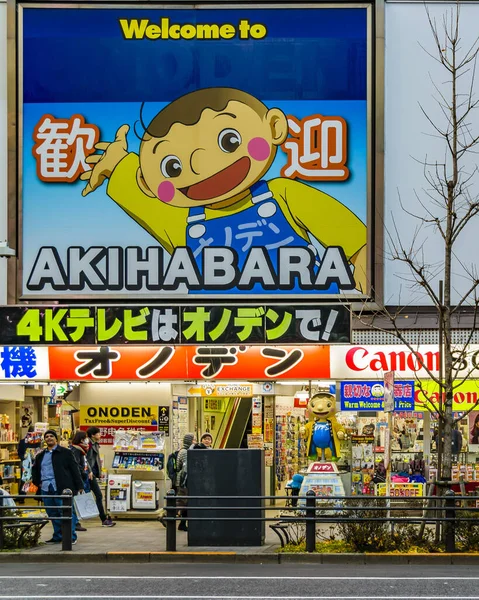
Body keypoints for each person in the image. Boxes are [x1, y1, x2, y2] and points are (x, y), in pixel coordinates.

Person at [82, 88, 367, 296]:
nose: (200, 164)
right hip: (217, 327)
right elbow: (139, 198)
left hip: (311, 321)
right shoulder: (181, 222)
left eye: (229, 140)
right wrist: (117, 163)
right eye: (173, 166)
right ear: (148, 183)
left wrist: (363, 269)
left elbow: (348, 235)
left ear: (274, 128)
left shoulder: (283, 194)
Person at [31, 430, 84, 545]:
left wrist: (79, 485)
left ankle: (70, 536)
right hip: (46, 487)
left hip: (62, 487)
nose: (49, 438)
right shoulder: (40, 455)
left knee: (66, 512)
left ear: (56, 439)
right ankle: (58, 535)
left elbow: (75, 469)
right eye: (47, 437)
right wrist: (37, 482)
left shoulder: (65, 453)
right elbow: (35, 470)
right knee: (52, 513)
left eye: (51, 436)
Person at [86, 427, 116, 527]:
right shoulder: (89, 444)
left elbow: (95, 460)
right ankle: (103, 519)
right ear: (93, 435)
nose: (100, 435)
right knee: (98, 495)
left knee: (96, 496)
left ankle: (103, 519)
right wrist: (90, 471)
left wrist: (98, 472)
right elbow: (87, 460)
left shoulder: (94, 444)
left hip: (92, 474)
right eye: (98, 434)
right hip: (88, 475)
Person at [70, 430, 94, 532]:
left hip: (83, 477)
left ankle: (76, 522)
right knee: (75, 501)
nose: (87, 440)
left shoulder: (82, 450)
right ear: (81, 439)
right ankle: (75, 523)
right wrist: (84, 474)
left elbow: (84, 463)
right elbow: (77, 466)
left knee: (78, 500)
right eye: (85, 438)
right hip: (79, 478)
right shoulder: (76, 450)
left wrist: (89, 471)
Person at [17, 426, 41, 504]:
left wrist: (23, 458)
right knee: (29, 479)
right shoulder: (38, 441)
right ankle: (24, 496)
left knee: (26, 479)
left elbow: (19, 452)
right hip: (31, 462)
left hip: (27, 462)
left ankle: (22, 497)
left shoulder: (23, 441)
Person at [177, 432, 195, 532]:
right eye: (194, 440)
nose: (195, 442)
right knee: (182, 502)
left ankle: (182, 523)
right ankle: (165, 516)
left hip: (184, 480)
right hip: (184, 481)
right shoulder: (185, 452)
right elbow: (185, 467)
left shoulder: (183, 451)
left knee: (185, 503)